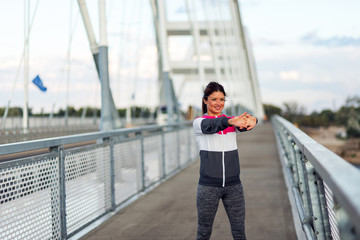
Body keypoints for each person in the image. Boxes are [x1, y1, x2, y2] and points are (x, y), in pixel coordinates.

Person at [193, 82, 258, 240]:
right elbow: (213, 125)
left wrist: (253, 119)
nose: (218, 103)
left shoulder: (231, 122)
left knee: (239, 233)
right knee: (203, 233)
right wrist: (230, 121)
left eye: (222, 99)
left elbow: (246, 123)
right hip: (208, 187)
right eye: (214, 99)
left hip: (234, 186)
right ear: (205, 100)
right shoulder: (199, 123)